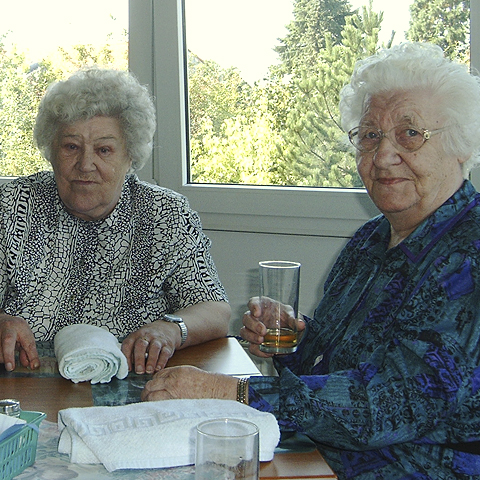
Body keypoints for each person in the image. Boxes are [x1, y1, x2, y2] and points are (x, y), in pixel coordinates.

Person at [141, 42, 480, 479]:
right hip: (322, 455)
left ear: (460, 145)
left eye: (409, 134)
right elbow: (339, 369)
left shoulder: (470, 255)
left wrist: (231, 392)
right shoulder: (371, 240)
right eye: (370, 135)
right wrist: (295, 339)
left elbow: (390, 405)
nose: (383, 156)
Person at [0, 68, 230, 376]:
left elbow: (214, 308)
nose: (85, 164)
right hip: (26, 383)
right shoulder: (12, 205)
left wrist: (171, 329)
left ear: (130, 156)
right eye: (71, 147)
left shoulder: (166, 213)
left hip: (132, 384)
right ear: (51, 150)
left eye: (104, 150)